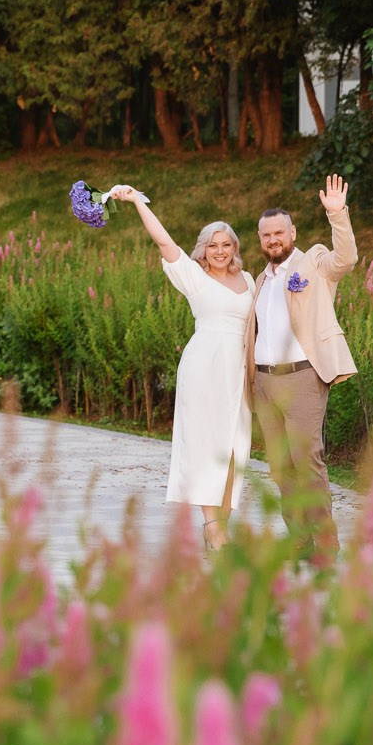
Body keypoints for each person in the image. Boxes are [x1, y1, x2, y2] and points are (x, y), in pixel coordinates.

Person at [108, 186, 252, 551]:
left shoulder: (249, 280)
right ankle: (213, 528)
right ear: (202, 249)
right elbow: (163, 241)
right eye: (212, 245)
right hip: (204, 367)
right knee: (206, 445)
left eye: (226, 244)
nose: (219, 251)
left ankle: (223, 523)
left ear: (235, 247)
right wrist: (139, 202)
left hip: (239, 372)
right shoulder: (192, 276)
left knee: (236, 448)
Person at [248, 174, 358, 554]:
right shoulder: (261, 280)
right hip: (264, 383)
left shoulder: (313, 263)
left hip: (302, 379)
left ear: (292, 232)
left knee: (307, 461)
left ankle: (326, 543)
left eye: (279, 232)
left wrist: (337, 214)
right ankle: (298, 539)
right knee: (280, 467)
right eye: (266, 235)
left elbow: (345, 259)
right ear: (260, 240)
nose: (273, 240)